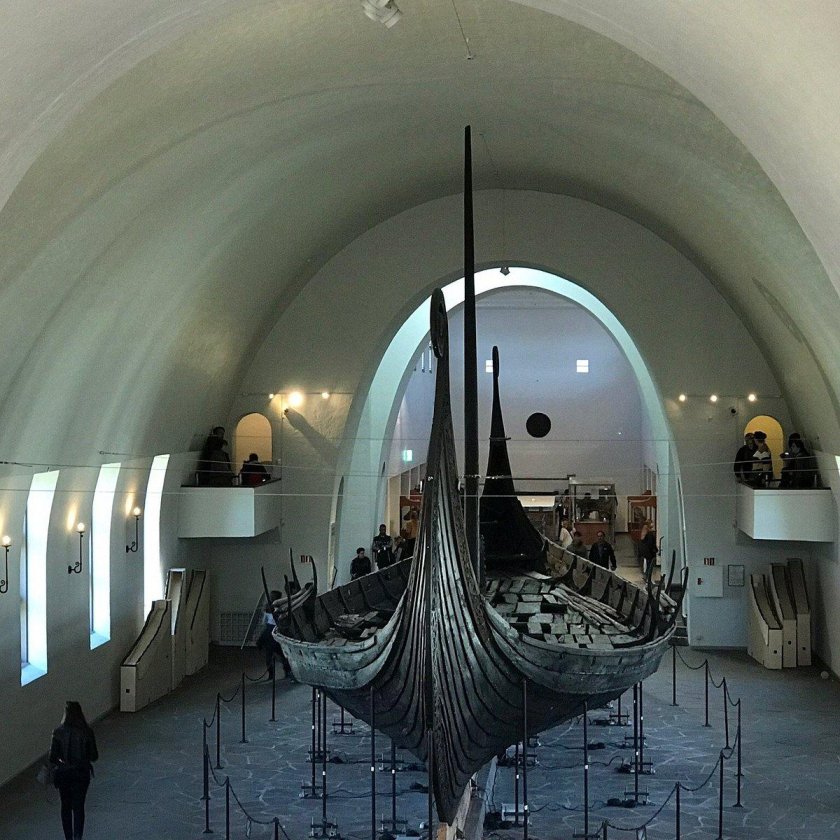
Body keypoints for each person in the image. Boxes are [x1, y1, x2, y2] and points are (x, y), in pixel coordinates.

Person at [49, 700, 98, 840]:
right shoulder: (87, 732)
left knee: (65, 806)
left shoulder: (58, 732)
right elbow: (94, 756)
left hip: (64, 774)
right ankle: (78, 837)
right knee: (78, 807)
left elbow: (52, 757)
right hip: (81, 774)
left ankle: (68, 837)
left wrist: (62, 761)